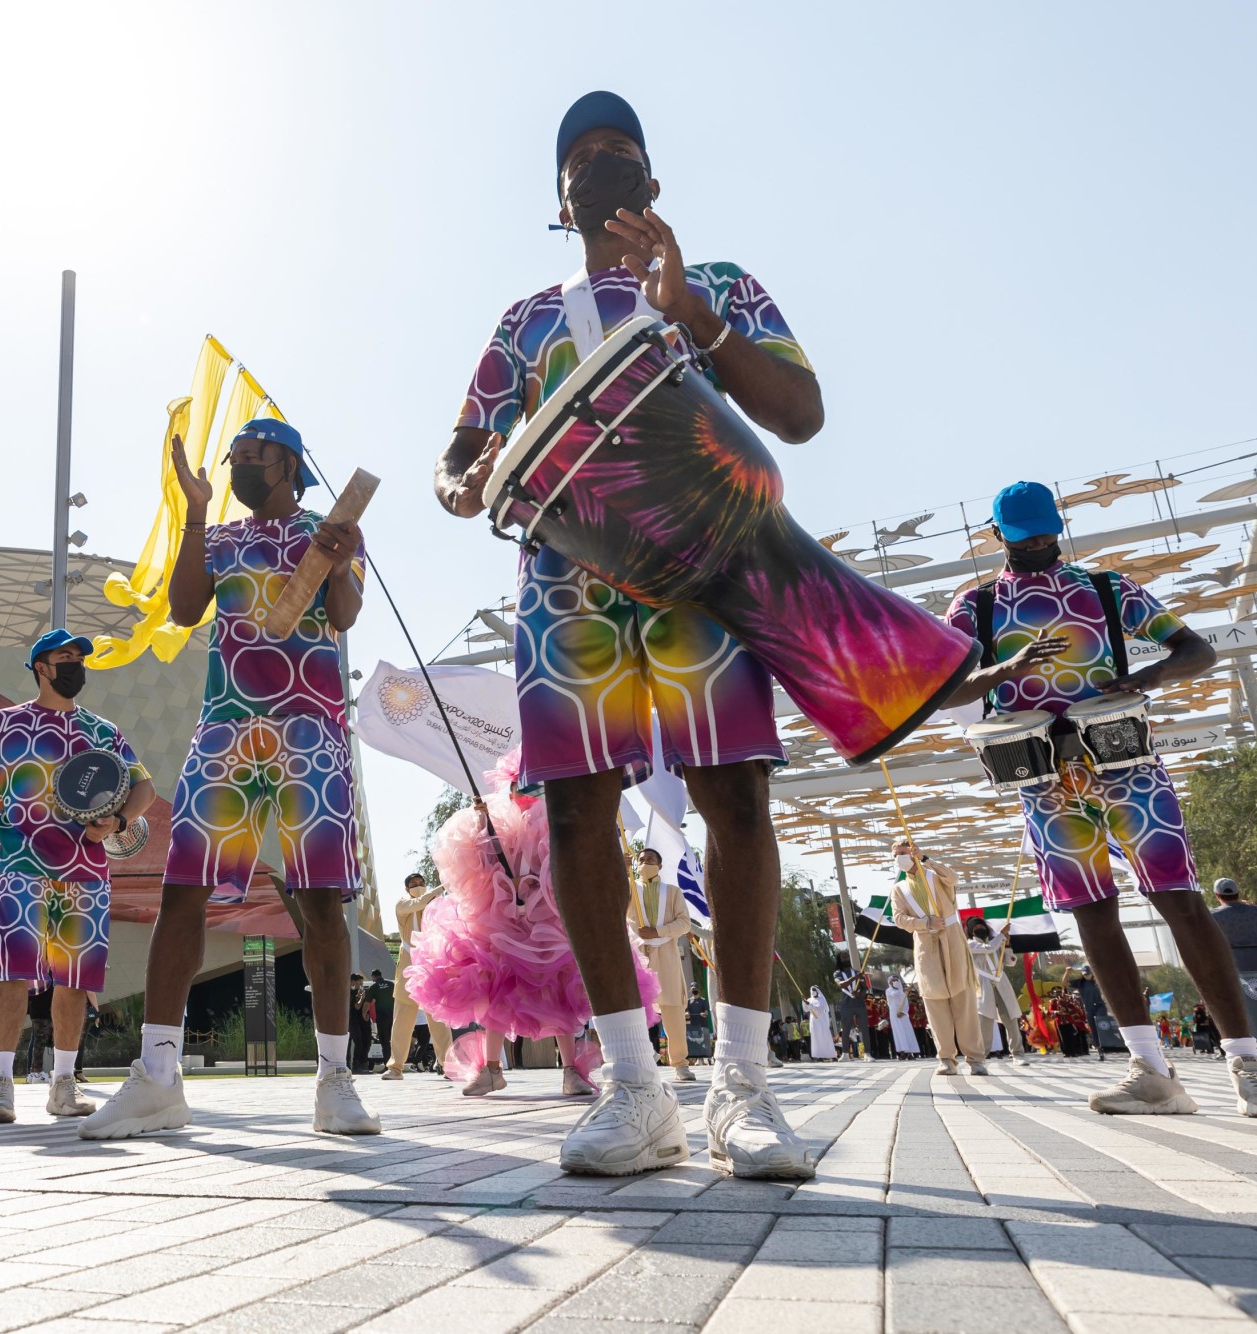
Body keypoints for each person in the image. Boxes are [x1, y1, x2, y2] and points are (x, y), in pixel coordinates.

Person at [433, 91, 824, 1178]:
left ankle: (742, 1086)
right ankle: (632, 1087)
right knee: (574, 814)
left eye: (620, 154)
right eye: (579, 159)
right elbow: (457, 449)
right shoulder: (523, 321)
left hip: (702, 564)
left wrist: (690, 313)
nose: (600, 167)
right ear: (558, 201)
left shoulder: (722, 286)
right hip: (568, 584)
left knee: (735, 796)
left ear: (652, 184)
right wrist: (462, 480)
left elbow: (798, 411)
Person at [940, 481, 1257, 1118]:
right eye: (1025, 539)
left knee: (1181, 904)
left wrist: (1146, 677)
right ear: (997, 538)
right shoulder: (977, 606)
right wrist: (1006, 669)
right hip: (1044, 778)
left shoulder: (1107, 589)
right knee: (1091, 913)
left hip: (1127, 764)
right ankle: (1149, 1072)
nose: (1039, 547)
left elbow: (1196, 649)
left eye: (1048, 534)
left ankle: (1249, 1067)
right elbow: (944, 689)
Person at [85, 418, 378, 1139]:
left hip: (311, 733)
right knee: (181, 894)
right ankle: (157, 1077)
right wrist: (192, 511)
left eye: (253, 454)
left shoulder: (329, 528)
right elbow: (186, 609)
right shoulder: (221, 537)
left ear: (288, 463)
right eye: (236, 455)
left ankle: (335, 1079)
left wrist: (337, 564)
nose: (241, 463)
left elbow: (342, 617)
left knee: (320, 905)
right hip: (226, 729)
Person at [0, 627, 155, 1124]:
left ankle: (63, 1084)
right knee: (13, 971)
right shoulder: (5, 724)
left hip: (87, 870)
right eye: (65, 658)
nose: (76, 666)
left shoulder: (102, 730)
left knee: (75, 979)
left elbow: (144, 786)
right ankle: (0, 1085)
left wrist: (120, 821)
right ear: (41, 668)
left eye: (80, 658)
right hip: (22, 867)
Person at [406, 753, 649, 1098]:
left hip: (549, 922)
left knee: (560, 987)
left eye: (531, 782)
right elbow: (477, 869)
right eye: (517, 783)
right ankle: (490, 1069)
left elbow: (568, 869)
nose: (523, 790)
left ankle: (571, 1070)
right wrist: (480, 829)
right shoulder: (496, 821)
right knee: (496, 988)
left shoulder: (555, 821)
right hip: (502, 921)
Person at [890, 841, 986, 1075]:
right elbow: (899, 919)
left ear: (912, 852)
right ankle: (946, 1059)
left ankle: (975, 1059)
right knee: (934, 1001)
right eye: (895, 855)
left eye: (902, 853)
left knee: (963, 999)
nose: (898, 858)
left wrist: (925, 859)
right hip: (925, 944)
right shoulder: (899, 889)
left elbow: (953, 878)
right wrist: (925, 923)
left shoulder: (935, 875)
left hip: (952, 938)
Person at [628, 848, 696, 1083]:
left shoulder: (673, 892)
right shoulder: (629, 888)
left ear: (660, 865)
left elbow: (684, 923)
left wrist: (658, 932)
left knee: (673, 1009)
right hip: (638, 956)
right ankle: (638, 1061)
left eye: (650, 860)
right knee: (635, 1010)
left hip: (666, 955)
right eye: (641, 860)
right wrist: (620, 871)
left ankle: (680, 1064)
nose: (645, 863)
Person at [383, 873, 453, 1079]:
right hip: (408, 965)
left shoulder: (436, 905)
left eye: (422, 883)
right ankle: (395, 1067)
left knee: (439, 1018)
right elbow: (417, 903)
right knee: (402, 1018)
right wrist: (440, 888)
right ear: (406, 889)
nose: (419, 886)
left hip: (432, 964)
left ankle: (448, 1065)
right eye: (414, 885)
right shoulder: (402, 905)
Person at [966, 918, 1031, 1067]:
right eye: (975, 926)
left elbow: (1010, 962)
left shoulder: (996, 942)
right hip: (983, 982)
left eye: (981, 925)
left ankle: (1018, 1053)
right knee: (985, 1020)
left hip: (1001, 981)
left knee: (1011, 1017)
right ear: (970, 930)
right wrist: (1001, 935)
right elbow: (987, 948)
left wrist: (1007, 945)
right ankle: (980, 1056)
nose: (979, 927)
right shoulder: (969, 944)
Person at [1209, 878, 1257, 973]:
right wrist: (1255, 907)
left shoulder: (1212, 916)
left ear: (1216, 895)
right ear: (1238, 893)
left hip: (1236, 974)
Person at [366, 969, 395, 1071]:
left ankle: (388, 1065)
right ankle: (395, 1064)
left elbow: (367, 1003)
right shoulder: (391, 984)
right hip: (393, 1016)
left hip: (382, 1018)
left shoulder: (374, 987)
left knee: (384, 1041)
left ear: (374, 977)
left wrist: (364, 1014)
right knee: (394, 1040)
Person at [25, 986, 54, 1083]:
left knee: (38, 1041)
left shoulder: (38, 975)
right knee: (40, 1042)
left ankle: (33, 1072)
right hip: (42, 1011)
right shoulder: (45, 975)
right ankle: (37, 1072)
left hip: (38, 1010)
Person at [885, 977, 918, 1059]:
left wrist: (903, 1012)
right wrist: (900, 992)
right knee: (899, 1033)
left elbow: (906, 1004)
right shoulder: (888, 991)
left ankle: (909, 1053)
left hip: (903, 1014)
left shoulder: (903, 992)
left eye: (896, 980)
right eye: (893, 980)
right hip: (894, 1014)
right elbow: (891, 997)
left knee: (907, 1032)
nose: (895, 982)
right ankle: (902, 1052)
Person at [349, 975, 375, 1075]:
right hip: (354, 1021)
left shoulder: (362, 992)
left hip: (363, 1022)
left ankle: (363, 1063)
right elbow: (357, 1007)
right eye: (359, 983)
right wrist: (361, 998)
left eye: (361, 983)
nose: (360, 985)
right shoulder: (352, 993)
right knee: (358, 1043)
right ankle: (355, 1065)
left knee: (367, 1042)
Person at [803, 987, 835, 1061]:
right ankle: (819, 1056)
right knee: (816, 1038)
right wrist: (804, 1001)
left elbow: (819, 1011)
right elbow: (806, 1009)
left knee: (825, 1037)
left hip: (822, 1021)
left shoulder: (822, 1000)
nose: (813, 991)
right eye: (812, 990)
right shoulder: (809, 1000)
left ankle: (831, 1055)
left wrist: (809, 1004)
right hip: (813, 1021)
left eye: (814, 990)